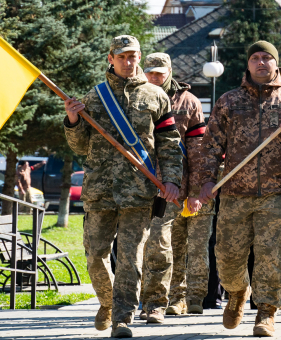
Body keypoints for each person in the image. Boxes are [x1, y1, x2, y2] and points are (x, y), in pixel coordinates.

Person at [195, 41, 281, 337]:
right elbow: (211, 144)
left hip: (277, 194)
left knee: (272, 254)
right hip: (235, 193)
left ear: (277, 64)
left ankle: (266, 311)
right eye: (255, 58)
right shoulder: (229, 100)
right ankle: (237, 292)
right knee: (226, 256)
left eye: (267, 58)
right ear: (248, 64)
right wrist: (207, 180)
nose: (261, 62)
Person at [63, 35, 183, 339]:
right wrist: (73, 120)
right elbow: (79, 147)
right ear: (110, 59)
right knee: (95, 256)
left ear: (139, 58)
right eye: (122, 57)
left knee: (131, 258)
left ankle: (122, 317)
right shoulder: (94, 97)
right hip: (99, 190)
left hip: (138, 191)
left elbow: (169, 144)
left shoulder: (157, 96)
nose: (128, 62)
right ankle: (107, 301)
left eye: (133, 57)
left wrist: (171, 180)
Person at [139, 53, 210, 323]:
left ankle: (181, 298)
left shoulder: (189, 102)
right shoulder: (138, 98)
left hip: (175, 186)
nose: (155, 77)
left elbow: (197, 152)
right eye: (151, 72)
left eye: (160, 72)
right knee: (154, 245)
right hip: (145, 186)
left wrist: (193, 191)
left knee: (174, 245)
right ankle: (154, 299)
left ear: (170, 71)